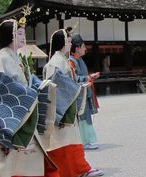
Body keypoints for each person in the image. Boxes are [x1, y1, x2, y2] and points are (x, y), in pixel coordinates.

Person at [0, 14, 58, 177]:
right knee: (6, 161)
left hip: (22, 114)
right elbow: (1, 89)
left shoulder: (17, 59)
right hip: (7, 118)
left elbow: (26, 83)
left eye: (24, 33)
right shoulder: (1, 59)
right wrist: (29, 93)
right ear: (8, 35)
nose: (23, 37)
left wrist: (40, 86)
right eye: (18, 33)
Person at [42, 29, 104, 177]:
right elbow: (56, 86)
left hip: (66, 106)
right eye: (68, 41)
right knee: (62, 141)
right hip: (61, 109)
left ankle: (77, 169)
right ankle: (76, 169)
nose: (70, 44)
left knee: (68, 141)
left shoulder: (62, 60)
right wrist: (78, 87)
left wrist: (82, 82)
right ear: (62, 43)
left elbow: (70, 82)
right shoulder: (55, 63)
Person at [69, 34, 100, 150]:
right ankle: (89, 140)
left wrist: (89, 77)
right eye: (83, 46)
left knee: (84, 117)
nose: (85, 48)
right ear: (77, 48)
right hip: (80, 93)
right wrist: (88, 77)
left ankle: (85, 140)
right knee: (83, 117)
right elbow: (74, 78)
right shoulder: (71, 61)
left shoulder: (78, 60)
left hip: (84, 92)